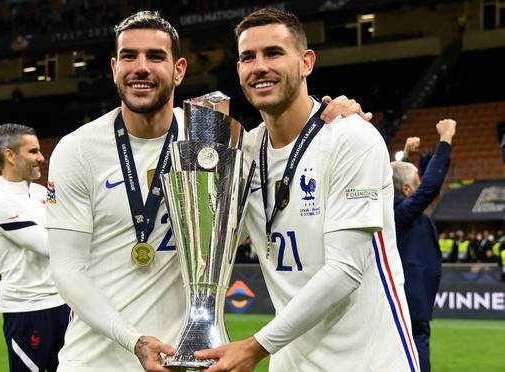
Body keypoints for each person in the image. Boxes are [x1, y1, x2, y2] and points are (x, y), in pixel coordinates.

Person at [45, 10, 369, 372]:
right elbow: (67, 269)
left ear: (179, 69)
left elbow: (286, 148)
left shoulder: (218, 140)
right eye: (128, 56)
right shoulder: (78, 150)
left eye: (155, 57)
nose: (141, 67)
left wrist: (332, 116)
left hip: (189, 360)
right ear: (114, 68)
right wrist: (132, 340)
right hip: (95, 361)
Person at [195, 8, 419, 371]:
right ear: (238, 70)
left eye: (273, 53)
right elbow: (207, 252)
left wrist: (255, 346)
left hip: (368, 360)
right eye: (247, 57)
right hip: (292, 363)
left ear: (306, 62)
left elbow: (346, 269)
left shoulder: (351, 137)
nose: (259, 66)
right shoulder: (242, 155)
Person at [0, 123, 70, 372]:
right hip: (27, 309)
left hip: (62, 303)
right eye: (33, 152)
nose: (41, 158)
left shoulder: (44, 191)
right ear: (9, 155)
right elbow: (48, 245)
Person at [391, 118, 457, 372]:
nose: (422, 183)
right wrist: (446, 138)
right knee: (415, 355)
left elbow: (394, 181)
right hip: (409, 298)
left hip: (410, 298)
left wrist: (406, 157)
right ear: (407, 190)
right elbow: (430, 187)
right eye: (417, 181)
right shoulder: (399, 211)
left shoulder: (396, 207)